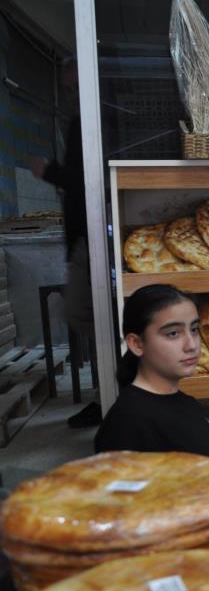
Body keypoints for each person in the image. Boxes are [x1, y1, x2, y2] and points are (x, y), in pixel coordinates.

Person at [30, 57, 100, 428]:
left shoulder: (89, 121)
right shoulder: (83, 119)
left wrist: (48, 172)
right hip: (84, 237)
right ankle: (108, 394)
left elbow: (82, 180)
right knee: (86, 316)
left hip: (90, 236)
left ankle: (109, 396)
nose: (66, 82)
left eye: (70, 74)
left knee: (84, 314)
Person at [94, 284, 209, 465]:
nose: (191, 345)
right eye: (173, 333)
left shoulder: (186, 402)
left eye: (194, 329)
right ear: (137, 344)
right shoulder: (126, 423)